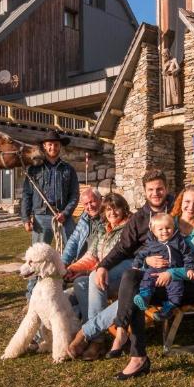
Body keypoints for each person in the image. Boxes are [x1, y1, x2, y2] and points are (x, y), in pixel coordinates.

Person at [111, 184, 194, 379]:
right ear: (180, 202)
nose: (191, 207)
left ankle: (137, 357)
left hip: (190, 285)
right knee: (131, 276)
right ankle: (122, 330)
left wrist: (172, 273)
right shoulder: (168, 222)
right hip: (160, 277)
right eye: (187, 202)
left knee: (135, 291)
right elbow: (149, 247)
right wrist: (148, 260)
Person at [68, 169, 173, 360]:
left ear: (166, 189)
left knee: (129, 291)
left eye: (159, 189)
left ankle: (88, 333)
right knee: (91, 278)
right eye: (151, 189)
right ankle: (98, 340)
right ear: (144, 191)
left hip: (158, 272)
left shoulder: (176, 210)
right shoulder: (141, 217)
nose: (155, 193)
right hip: (139, 264)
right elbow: (123, 247)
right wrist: (103, 267)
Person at [20, 130, 79, 295]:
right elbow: (26, 195)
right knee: (37, 257)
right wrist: (25, 217)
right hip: (41, 217)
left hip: (63, 217)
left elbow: (74, 195)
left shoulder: (68, 170)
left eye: (55, 144)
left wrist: (66, 213)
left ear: (60, 146)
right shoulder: (34, 170)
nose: (53, 147)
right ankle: (32, 293)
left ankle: (65, 286)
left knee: (70, 251)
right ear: (44, 147)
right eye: (49, 144)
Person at [63, 192, 130, 329]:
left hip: (119, 275)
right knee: (79, 282)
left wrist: (89, 271)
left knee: (92, 278)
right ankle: (89, 325)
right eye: (108, 209)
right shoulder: (102, 229)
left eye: (116, 208)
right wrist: (71, 268)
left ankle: (93, 334)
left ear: (124, 208)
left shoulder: (128, 229)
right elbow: (91, 255)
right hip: (100, 271)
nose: (112, 213)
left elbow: (117, 259)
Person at [132, 213, 194, 320]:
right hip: (155, 269)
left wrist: (190, 268)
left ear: (173, 227)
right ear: (153, 231)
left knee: (176, 287)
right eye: (160, 229)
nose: (165, 231)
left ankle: (170, 306)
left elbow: (188, 254)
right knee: (147, 276)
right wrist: (136, 265)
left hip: (173, 271)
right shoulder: (151, 244)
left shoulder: (178, 241)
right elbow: (141, 254)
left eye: (168, 228)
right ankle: (144, 296)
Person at [61, 188, 102, 267]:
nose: (89, 206)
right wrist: (64, 262)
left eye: (92, 202)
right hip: (81, 260)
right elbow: (74, 241)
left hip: (96, 262)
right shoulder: (84, 218)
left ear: (100, 200)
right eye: (86, 204)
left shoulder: (108, 218)